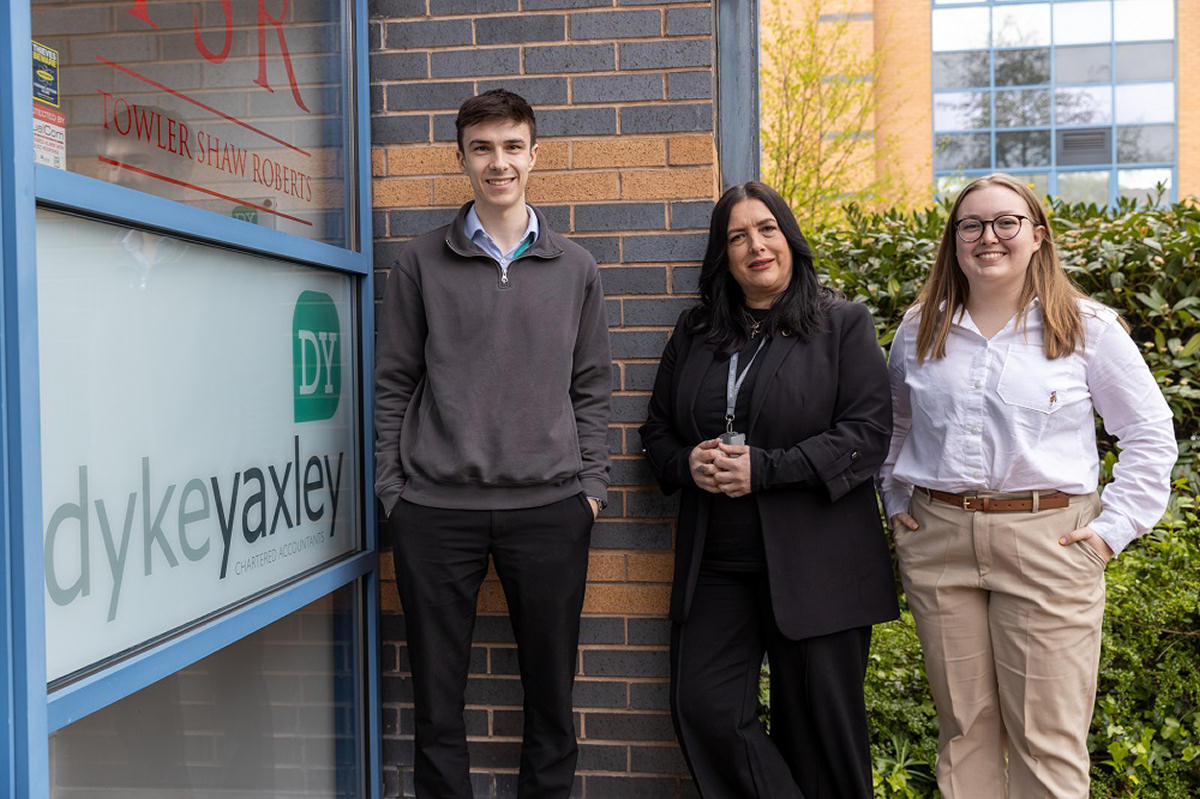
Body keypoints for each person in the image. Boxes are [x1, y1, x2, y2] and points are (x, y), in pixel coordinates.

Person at [878, 173, 1178, 797]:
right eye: (971, 225)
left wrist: (1110, 532)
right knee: (964, 732)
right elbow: (893, 426)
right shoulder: (919, 329)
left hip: (1050, 544)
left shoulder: (1085, 327)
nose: (989, 237)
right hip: (939, 540)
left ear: (1037, 235)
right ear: (954, 241)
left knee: (1047, 741)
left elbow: (1150, 435)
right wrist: (897, 499)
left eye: (1005, 222)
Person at [374, 89, 612, 799]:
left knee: (551, 702)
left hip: (550, 508)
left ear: (535, 156)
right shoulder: (420, 262)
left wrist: (589, 492)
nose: (498, 162)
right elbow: (393, 383)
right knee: (437, 705)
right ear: (462, 158)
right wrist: (397, 493)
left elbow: (594, 387)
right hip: (435, 511)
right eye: (482, 148)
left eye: (512, 146)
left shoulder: (576, 269)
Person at [639, 181, 898, 798]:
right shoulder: (697, 331)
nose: (755, 246)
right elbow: (657, 430)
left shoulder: (842, 325)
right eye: (736, 236)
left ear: (790, 239)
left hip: (818, 560)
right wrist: (687, 464)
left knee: (819, 739)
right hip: (719, 561)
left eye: (766, 229)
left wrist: (766, 468)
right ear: (722, 255)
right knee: (705, 709)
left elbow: (867, 434)